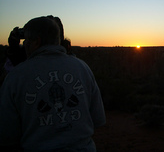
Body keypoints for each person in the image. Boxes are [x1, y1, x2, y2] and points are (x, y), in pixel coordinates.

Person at [0, 16, 106, 151]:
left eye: (26, 40)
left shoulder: (16, 77)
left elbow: (6, 135)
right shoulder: (82, 68)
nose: (24, 44)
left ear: (36, 42)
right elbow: (98, 119)